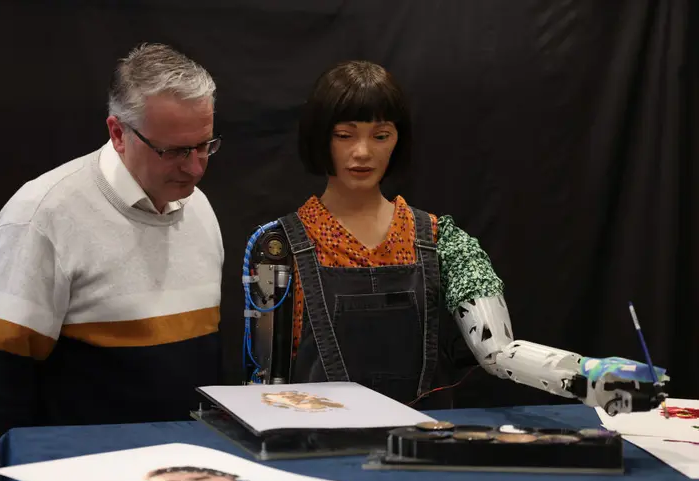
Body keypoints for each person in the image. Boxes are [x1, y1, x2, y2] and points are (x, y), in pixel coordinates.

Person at [251, 60, 668, 413]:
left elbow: (497, 350)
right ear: (320, 138)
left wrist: (590, 376)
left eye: (381, 135)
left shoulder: (442, 240)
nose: (363, 152)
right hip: (313, 449)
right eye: (345, 135)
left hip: (421, 449)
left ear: (399, 140)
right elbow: (266, 377)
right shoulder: (276, 248)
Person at [0, 43, 224, 481]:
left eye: (205, 146)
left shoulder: (199, 210)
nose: (195, 168)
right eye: (174, 151)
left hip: (188, 480)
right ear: (118, 133)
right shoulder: (43, 217)